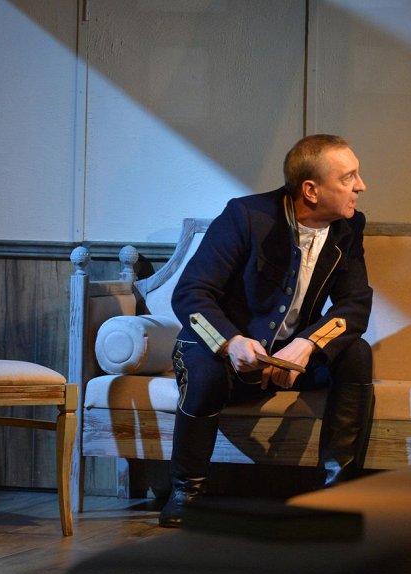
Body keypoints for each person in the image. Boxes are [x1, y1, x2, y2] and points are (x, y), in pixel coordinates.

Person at [158, 134, 375, 528]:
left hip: (289, 361)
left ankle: (337, 493)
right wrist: (231, 343)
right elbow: (191, 293)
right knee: (205, 371)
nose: (361, 186)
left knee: (357, 354)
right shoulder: (246, 216)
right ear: (311, 190)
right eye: (348, 178)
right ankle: (186, 492)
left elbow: (355, 304)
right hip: (228, 354)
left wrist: (307, 344)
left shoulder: (348, 226)